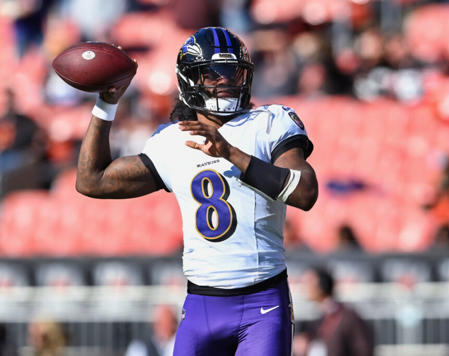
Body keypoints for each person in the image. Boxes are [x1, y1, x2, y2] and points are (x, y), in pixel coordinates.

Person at [75, 27, 318, 356]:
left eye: (232, 72)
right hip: (202, 304)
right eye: (212, 74)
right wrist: (107, 103)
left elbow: (305, 192)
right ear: (190, 80)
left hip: (262, 300)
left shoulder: (270, 121)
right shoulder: (172, 141)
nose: (225, 82)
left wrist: (232, 153)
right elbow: (92, 180)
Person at [293, 266, 374, 356]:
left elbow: (363, 349)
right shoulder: (315, 319)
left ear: (322, 285)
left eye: (309, 282)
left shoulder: (348, 317)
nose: (305, 287)